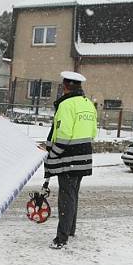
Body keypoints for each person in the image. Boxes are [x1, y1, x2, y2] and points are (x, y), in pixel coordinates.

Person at [43, 71, 98, 249]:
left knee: (65, 198)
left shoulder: (66, 105)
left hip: (68, 156)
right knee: (73, 195)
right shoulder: (88, 104)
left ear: (65, 86)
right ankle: (70, 229)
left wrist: (54, 153)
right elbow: (93, 133)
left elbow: (64, 133)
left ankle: (61, 238)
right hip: (83, 156)